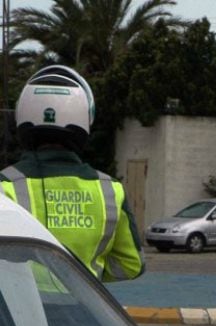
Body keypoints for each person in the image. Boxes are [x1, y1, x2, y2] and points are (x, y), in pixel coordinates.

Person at [1, 65, 144, 282]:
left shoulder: (5, 185)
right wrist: (84, 281)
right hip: (82, 312)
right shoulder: (110, 191)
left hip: (18, 314)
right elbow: (131, 265)